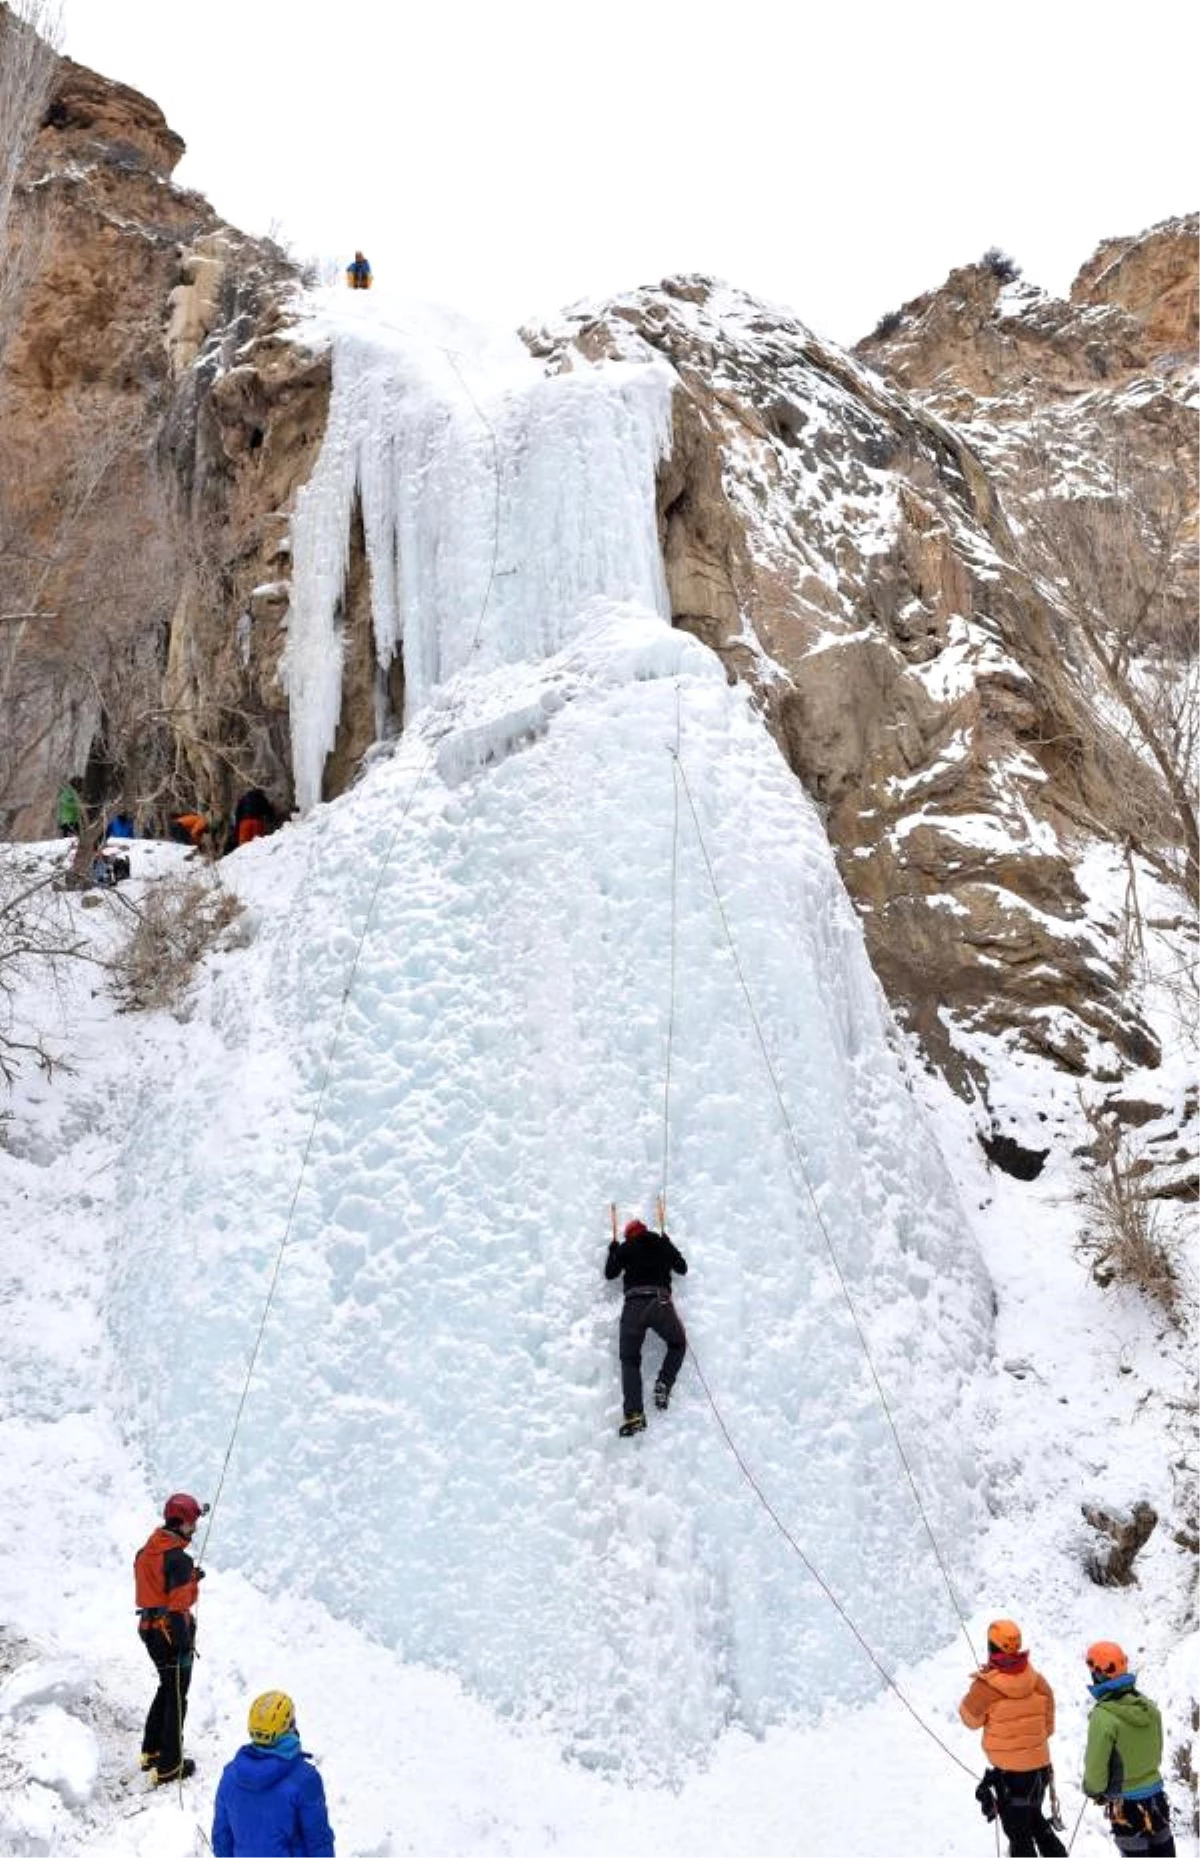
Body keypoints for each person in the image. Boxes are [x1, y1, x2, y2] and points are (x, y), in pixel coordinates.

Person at [959, 1618, 1068, 1858]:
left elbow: (969, 1720)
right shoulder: (1037, 1680)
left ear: (991, 1647)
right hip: (1039, 1771)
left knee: (1019, 1835)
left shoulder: (986, 1686)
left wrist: (982, 1682)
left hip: (1010, 1778)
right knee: (1035, 1820)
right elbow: (1047, 1727)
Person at [134, 1492, 208, 1784]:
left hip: (149, 1629)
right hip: (170, 1631)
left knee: (167, 1688)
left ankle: (151, 1751)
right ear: (179, 1522)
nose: (195, 1528)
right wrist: (183, 1643)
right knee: (177, 1694)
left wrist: (189, 1579)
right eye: (192, 1523)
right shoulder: (178, 1559)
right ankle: (169, 1765)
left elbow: (156, 1586)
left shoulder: (146, 1551)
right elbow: (177, 1606)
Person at [212, 1690, 336, 1858]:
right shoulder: (304, 1779)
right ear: (289, 1727)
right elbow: (318, 1841)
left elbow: (222, 1838)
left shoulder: (230, 1775)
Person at [1082, 1640, 1176, 1857]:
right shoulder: (1148, 1707)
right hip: (1156, 1799)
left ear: (1098, 1674)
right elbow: (1157, 1750)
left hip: (1126, 1806)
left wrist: (1094, 1790)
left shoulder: (1103, 1717)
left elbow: (1096, 1769)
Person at [604, 1214, 688, 1437]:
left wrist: (613, 1249)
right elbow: (682, 1268)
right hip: (660, 1302)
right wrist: (668, 1243)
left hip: (634, 1305)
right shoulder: (660, 1243)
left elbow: (610, 1273)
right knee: (678, 1344)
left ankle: (634, 1415)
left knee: (630, 1358)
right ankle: (664, 1384)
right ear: (644, 1230)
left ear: (629, 1235)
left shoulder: (626, 1247)